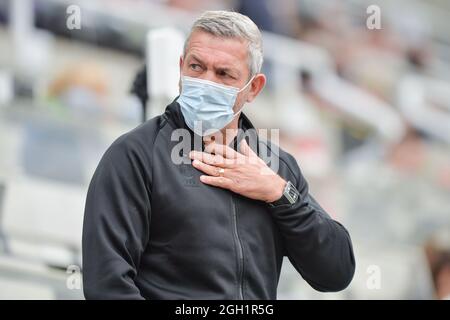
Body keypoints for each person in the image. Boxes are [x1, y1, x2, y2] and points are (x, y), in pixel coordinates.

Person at [82, 10, 355, 300]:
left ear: (254, 88)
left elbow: (336, 272)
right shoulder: (135, 154)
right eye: (197, 67)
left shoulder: (277, 167)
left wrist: (279, 194)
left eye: (224, 74)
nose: (206, 81)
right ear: (180, 68)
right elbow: (107, 286)